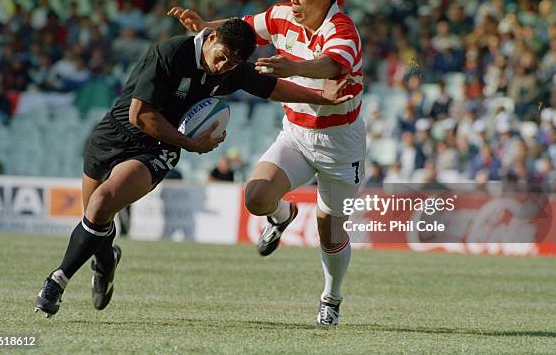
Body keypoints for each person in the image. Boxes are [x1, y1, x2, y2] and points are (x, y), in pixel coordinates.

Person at [33, 18, 353, 318]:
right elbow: (139, 116)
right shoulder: (169, 53)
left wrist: (321, 97)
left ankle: (57, 281)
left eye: (232, 63)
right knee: (95, 217)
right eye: (223, 56)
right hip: (113, 136)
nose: (224, 65)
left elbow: (271, 88)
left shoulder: (231, 67)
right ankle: (105, 262)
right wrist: (191, 144)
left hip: (157, 149)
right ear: (211, 37)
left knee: (103, 203)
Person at [169, 0, 365, 325]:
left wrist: (295, 67)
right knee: (256, 197)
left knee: (328, 228)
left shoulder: (343, 31)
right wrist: (206, 25)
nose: (294, 0)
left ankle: (331, 298)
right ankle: (283, 215)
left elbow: (332, 65)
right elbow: (244, 26)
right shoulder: (281, 16)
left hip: (341, 145)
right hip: (296, 133)